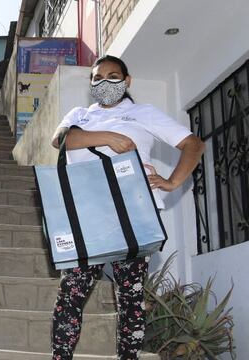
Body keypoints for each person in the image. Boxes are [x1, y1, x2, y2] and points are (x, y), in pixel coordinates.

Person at [49, 55, 205, 360]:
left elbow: (193, 145)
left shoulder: (143, 113)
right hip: (88, 214)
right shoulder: (80, 113)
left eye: (113, 76)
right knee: (71, 293)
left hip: (133, 213)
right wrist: (110, 137)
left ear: (127, 81)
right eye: (97, 78)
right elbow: (62, 140)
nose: (105, 83)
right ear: (91, 84)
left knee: (130, 296)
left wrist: (173, 182)